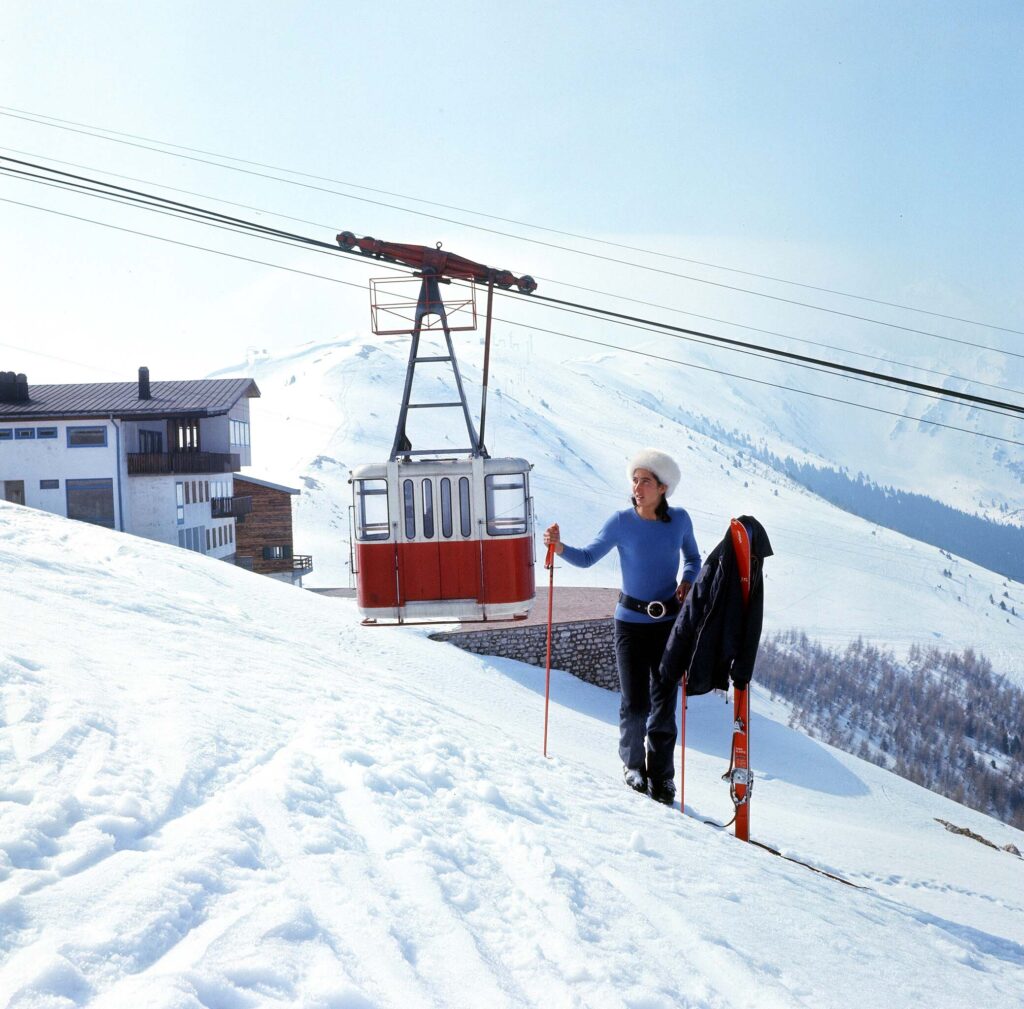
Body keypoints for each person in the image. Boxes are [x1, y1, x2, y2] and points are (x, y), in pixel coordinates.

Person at [544, 448, 701, 804]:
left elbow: (694, 557)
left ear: (663, 488)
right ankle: (633, 767)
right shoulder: (620, 522)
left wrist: (689, 579)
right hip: (629, 625)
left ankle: (662, 777)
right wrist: (559, 546)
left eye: (645, 480)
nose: (637, 486)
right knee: (635, 703)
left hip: (668, 624)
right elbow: (585, 558)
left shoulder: (680, 521)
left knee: (664, 703)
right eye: (635, 480)